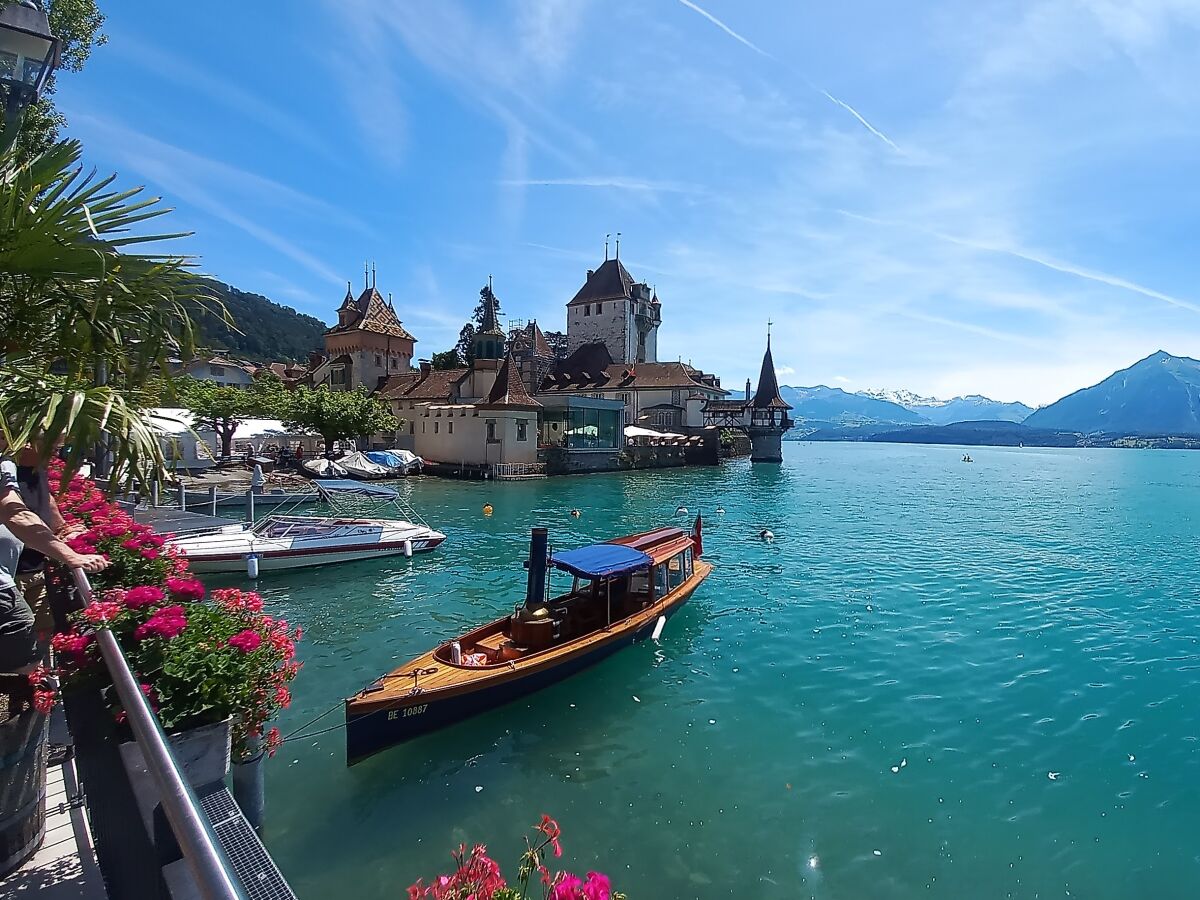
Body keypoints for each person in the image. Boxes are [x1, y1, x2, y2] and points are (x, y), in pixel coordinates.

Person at [1, 452, 109, 673]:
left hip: (25, 568)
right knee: (22, 648)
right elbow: (16, 514)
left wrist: (62, 529)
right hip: (12, 574)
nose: (54, 451)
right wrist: (71, 557)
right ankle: (27, 691)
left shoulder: (16, 465)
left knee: (37, 633)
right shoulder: (7, 465)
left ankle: (34, 689)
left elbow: (44, 501)